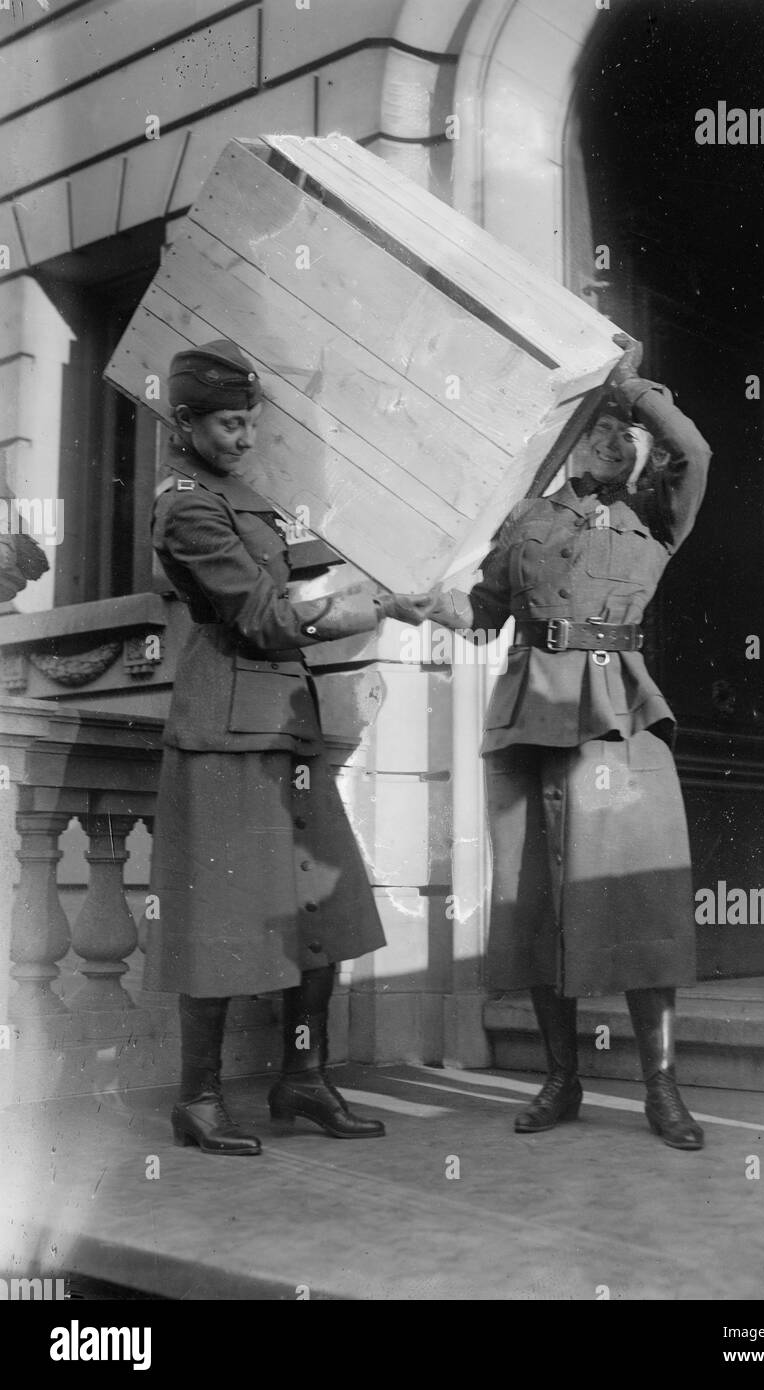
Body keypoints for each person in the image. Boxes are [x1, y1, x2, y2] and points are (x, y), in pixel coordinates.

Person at [416, 333, 712, 1150]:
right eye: (606, 427)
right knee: (539, 897)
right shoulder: (526, 520)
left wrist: (629, 382)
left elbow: (694, 447)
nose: (622, 442)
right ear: (576, 437)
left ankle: (662, 1089)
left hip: (619, 709)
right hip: (530, 715)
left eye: (632, 432)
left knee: (643, 891)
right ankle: (561, 1078)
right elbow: (483, 612)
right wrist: (432, 606)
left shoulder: (655, 516)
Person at [144, 339, 422, 1156]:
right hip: (227, 732)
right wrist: (384, 607)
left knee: (324, 915)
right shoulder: (187, 506)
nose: (243, 438)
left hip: (285, 727)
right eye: (229, 424)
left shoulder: (243, 495)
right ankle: (196, 1100)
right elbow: (265, 619)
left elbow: (306, 570)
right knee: (221, 921)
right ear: (185, 420)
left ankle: (302, 1079)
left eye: (250, 424)